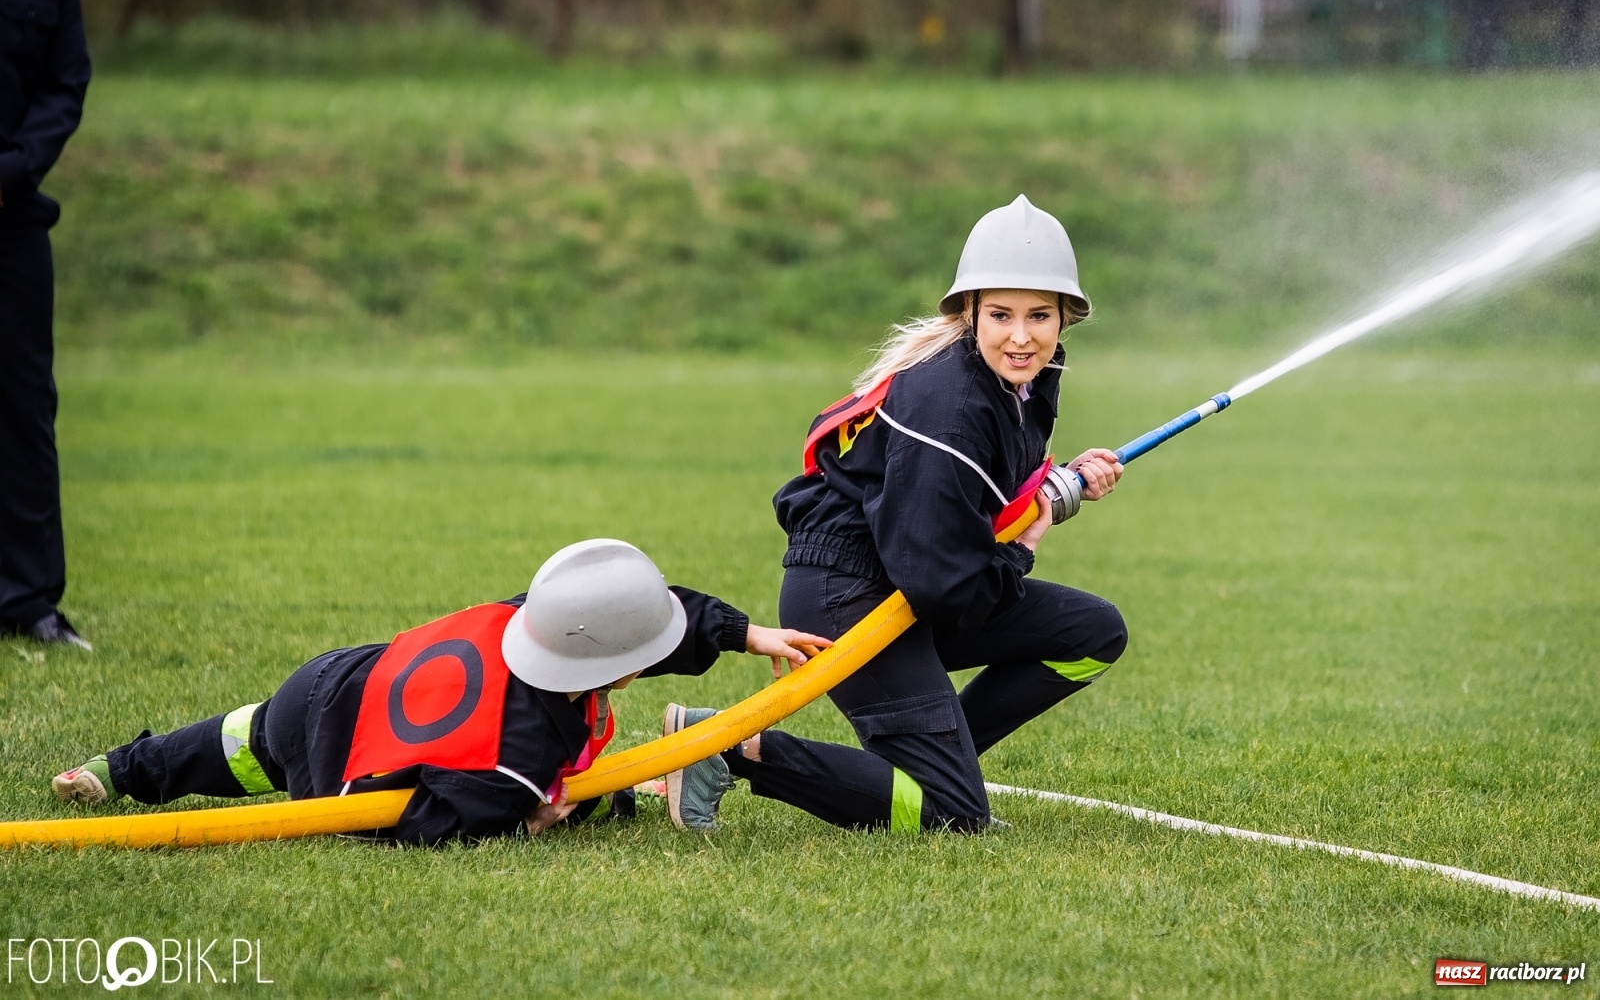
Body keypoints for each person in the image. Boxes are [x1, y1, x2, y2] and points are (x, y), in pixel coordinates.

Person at [664, 195, 1127, 833]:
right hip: (849, 594)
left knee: (1093, 633)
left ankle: (937, 756)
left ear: (1064, 319)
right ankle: (725, 749)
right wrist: (1021, 553)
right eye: (1000, 315)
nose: (1021, 336)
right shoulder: (949, 404)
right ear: (969, 313)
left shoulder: (1020, 378)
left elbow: (988, 491)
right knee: (952, 815)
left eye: (1039, 316)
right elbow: (945, 583)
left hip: (909, 579)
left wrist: (1064, 481)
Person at [50, 539, 830, 845]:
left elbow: (622, 604)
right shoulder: (517, 758)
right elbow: (431, 821)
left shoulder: (529, 619)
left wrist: (742, 632)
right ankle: (630, 795)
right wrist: (525, 823)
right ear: (612, 669)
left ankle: (116, 771)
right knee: (550, 798)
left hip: (332, 680)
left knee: (228, 745)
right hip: (336, 768)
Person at [0, 0, 94, 650]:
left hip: (11, 215)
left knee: (25, 403)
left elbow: (66, 84)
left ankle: (28, 601)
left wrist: (12, 168)